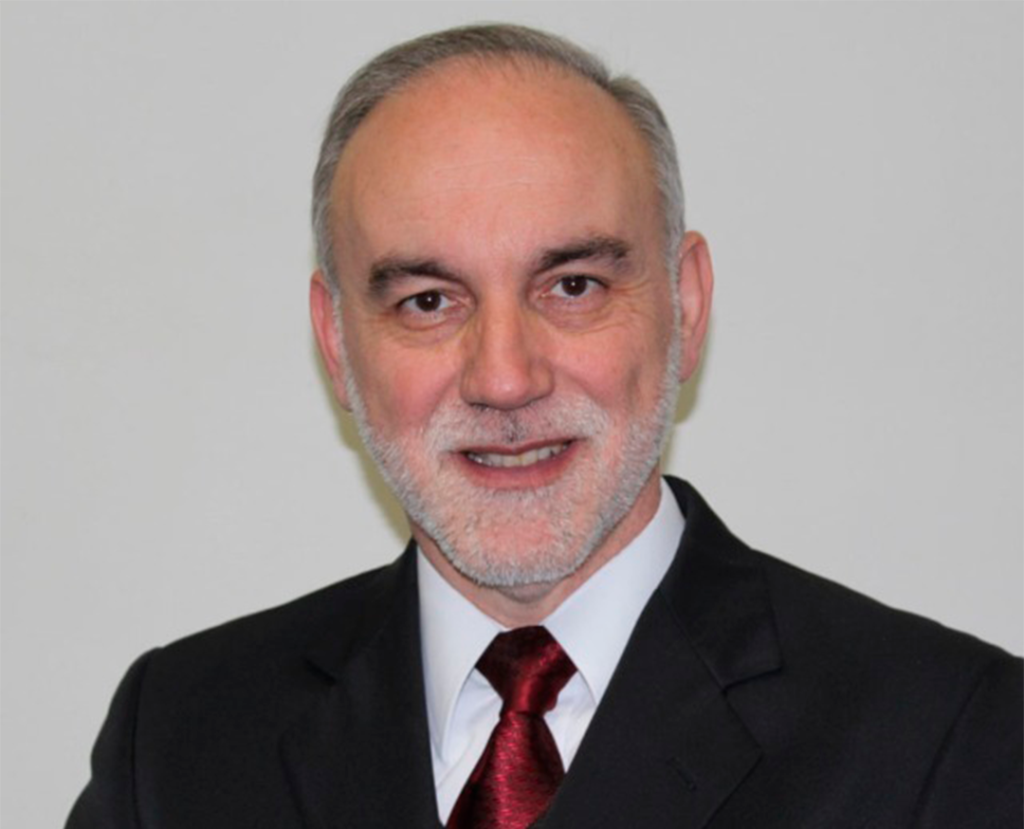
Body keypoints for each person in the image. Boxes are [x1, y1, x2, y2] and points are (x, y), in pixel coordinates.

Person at [66, 23, 1022, 829]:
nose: (504, 377)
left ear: (686, 307)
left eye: (573, 286)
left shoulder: (951, 737)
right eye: (428, 301)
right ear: (336, 342)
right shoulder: (179, 742)